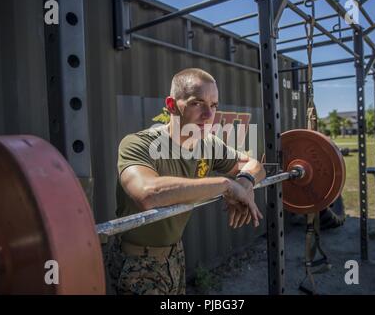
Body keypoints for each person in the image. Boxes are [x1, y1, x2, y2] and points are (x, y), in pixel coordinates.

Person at [110, 68, 266, 295]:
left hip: (175, 255)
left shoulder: (208, 144)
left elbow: (254, 165)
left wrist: (244, 183)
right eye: (197, 103)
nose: (208, 115)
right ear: (172, 105)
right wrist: (226, 186)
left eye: (213, 105)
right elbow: (147, 194)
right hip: (135, 262)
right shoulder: (137, 143)